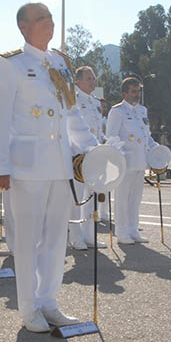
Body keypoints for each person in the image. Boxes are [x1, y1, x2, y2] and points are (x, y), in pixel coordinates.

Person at [0, 2, 98, 332]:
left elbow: (72, 113)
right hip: (26, 166)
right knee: (28, 241)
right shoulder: (11, 65)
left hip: (59, 164)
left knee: (54, 239)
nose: (49, 23)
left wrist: (92, 151)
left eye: (50, 17)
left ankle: (49, 301)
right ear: (24, 27)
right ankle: (29, 308)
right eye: (41, 19)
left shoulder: (60, 63)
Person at [105, 77, 156, 244]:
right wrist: (119, 158)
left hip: (140, 161)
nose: (137, 94)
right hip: (125, 162)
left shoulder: (142, 111)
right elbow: (111, 137)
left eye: (138, 91)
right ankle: (121, 232)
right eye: (134, 91)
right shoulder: (117, 111)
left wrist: (157, 151)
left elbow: (146, 136)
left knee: (135, 198)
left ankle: (134, 229)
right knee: (122, 199)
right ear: (125, 93)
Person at [69, 65, 107, 249]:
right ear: (78, 81)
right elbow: (72, 129)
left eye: (93, 78)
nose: (93, 81)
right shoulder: (72, 100)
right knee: (76, 197)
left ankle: (90, 235)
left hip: (95, 153)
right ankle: (76, 237)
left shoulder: (95, 102)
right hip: (79, 156)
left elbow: (98, 130)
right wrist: (84, 150)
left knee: (92, 196)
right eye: (89, 78)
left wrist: (104, 144)